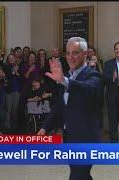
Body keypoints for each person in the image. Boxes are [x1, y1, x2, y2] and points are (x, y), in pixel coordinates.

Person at [38, 37, 104, 180]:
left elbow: (88, 89)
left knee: (77, 176)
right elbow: (60, 106)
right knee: (81, 175)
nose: (70, 57)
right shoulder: (67, 76)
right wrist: (45, 127)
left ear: (85, 54)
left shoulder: (92, 75)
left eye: (75, 53)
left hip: (86, 139)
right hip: (70, 137)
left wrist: (65, 81)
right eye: (68, 53)